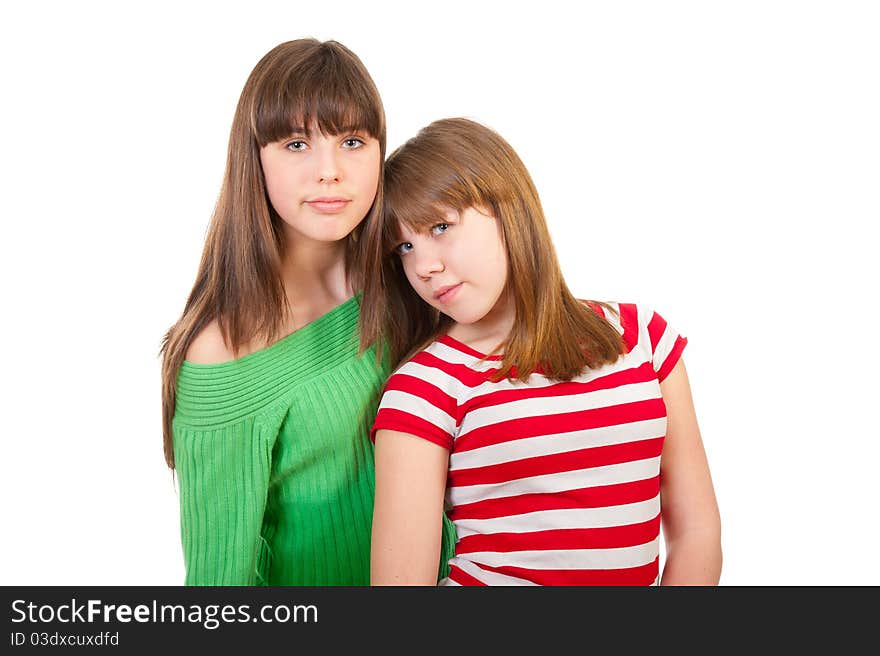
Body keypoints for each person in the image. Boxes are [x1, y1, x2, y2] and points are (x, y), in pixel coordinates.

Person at [361, 118, 722, 586]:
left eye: (441, 226)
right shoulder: (424, 387)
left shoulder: (642, 339)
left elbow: (697, 530)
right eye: (405, 246)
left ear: (508, 210)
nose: (424, 266)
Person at [159, 39, 454, 585]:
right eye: (297, 143)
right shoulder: (224, 352)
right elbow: (219, 586)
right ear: (255, 159)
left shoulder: (416, 275)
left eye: (352, 141)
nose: (330, 171)